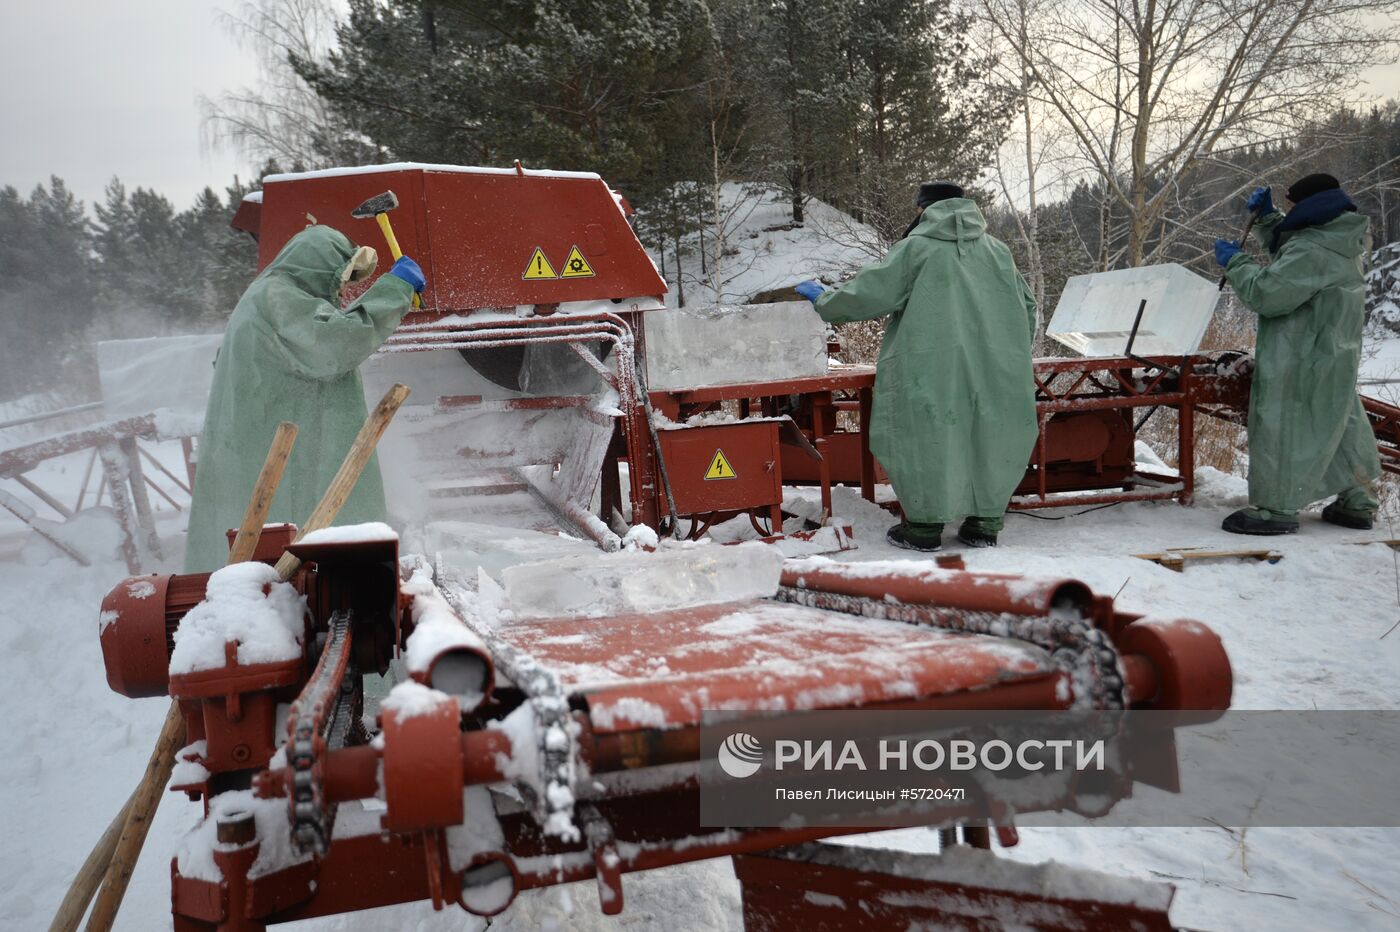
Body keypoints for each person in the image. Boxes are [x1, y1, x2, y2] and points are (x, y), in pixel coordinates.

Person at [794, 182, 1038, 551]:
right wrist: (1007, 349)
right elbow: (1028, 307)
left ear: (925, 210)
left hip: (930, 368)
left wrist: (826, 300)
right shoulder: (997, 252)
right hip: (997, 367)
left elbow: (867, 297)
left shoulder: (917, 249)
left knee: (924, 438)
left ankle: (923, 528)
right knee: (991, 433)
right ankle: (984, 524)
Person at [183, 225, 425, 571]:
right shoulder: (276, 298)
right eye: (338, 279)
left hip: (263, 447)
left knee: (266, 551)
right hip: (274, 454)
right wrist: (395, 290)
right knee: (278, 552)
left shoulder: (267, 296)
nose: (342, 291)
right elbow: (334, 341)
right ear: (315, 267)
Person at [1214, 173, 1381, 535]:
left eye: (1292, 208)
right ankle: (1357, 502)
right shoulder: (1342, 239)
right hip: (1334, 353)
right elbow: (1298, 259)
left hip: (1300, 354)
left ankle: (1275, 510)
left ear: (1309, 207)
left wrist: (1237, 263)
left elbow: (1269, 293)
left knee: (1284, 424)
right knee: (1340, 418)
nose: (1290, 212)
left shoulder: (1313, 250)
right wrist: (1269, 220)